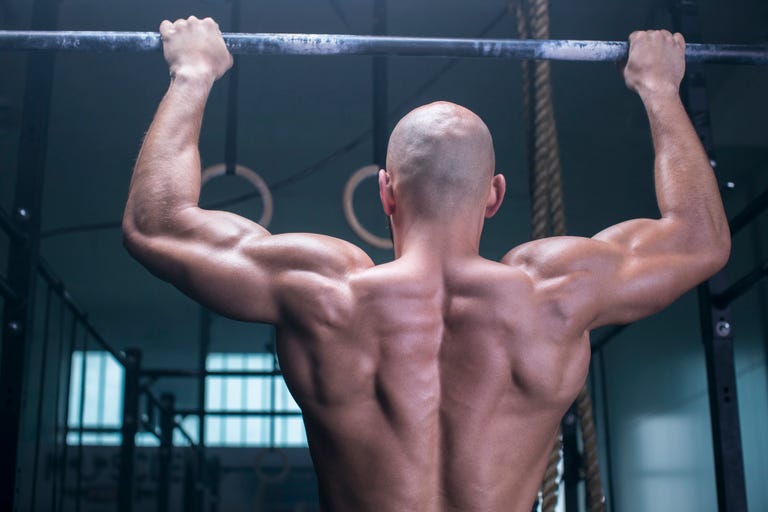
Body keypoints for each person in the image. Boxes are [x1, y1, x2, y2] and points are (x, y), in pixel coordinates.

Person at [123, 17, 730, 512]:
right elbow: (700, 238)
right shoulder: (556, 291)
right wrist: (659, 89)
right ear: (494, 195)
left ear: (384, 192)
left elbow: (157, 223)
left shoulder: (323, 291)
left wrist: (192, 74)